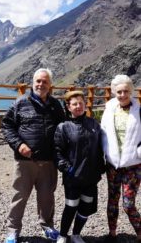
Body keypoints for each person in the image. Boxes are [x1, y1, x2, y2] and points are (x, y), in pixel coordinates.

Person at [2, 68, 65, 243]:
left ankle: (47, 226)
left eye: (45, 81)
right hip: (25, 161)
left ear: (50, 85)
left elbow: (63, 128)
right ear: (32, 82)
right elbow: (7, 126)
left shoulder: (55, 105)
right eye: (38, 81)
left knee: (47, 196)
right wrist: (18, 144)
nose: (40, 84)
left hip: (48, 161)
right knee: (19, 196)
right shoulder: (21, 102)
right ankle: (12, 230)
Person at [54, 91, 105, 243]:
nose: (78, 106)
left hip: (91, 177)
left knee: (85, 207)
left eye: (81, 103)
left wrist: (100, 168)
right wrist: (68, 168)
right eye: (74, 104)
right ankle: (63, 235)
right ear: (68, 107)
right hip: (73, 177)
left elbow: (101, 148)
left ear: (85, 105)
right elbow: (57, 152)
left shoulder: (94, 124)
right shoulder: (63, 127)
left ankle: (76, 234)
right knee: (71, 206)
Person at [101, 75, 141, 243]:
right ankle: (112, 234)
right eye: (119, 91)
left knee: (128, 204)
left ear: (131, 91)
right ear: (114, 92)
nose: (123, 94)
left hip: (133, 164)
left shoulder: (139, 111)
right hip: (113, 164)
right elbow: (103, 132)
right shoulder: (109, 109)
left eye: (126, 91)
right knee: (112, 201)